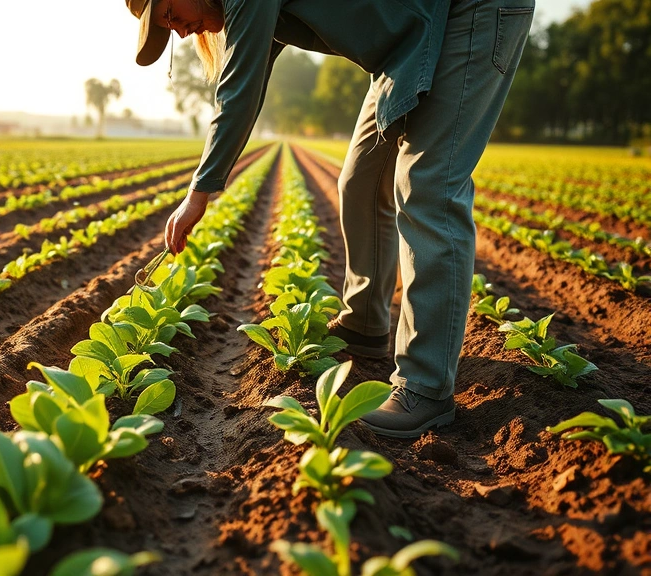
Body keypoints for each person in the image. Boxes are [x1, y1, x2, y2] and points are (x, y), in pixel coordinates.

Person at [125, 0, 534, 438]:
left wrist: (199, 191)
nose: (180, 33)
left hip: (468, 11)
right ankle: (364, 324)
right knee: (360, 180)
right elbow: (253, 73)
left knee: (428, 186)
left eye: (169, 14)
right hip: (410, 40)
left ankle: (426, 387)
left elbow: (238, 90)